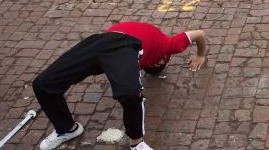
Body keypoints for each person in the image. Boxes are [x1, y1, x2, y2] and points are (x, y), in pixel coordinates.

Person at [32, 22, 208, 150]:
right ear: (163, 60)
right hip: (112, 42)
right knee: (43, 84)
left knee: (130, 93)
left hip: (103, 44)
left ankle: (136, 143)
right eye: (156, 66)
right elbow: (199, 33)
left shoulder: (138, 57)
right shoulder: (168, 45)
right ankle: (66, 129)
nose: (153, 67)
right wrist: (201, 55)